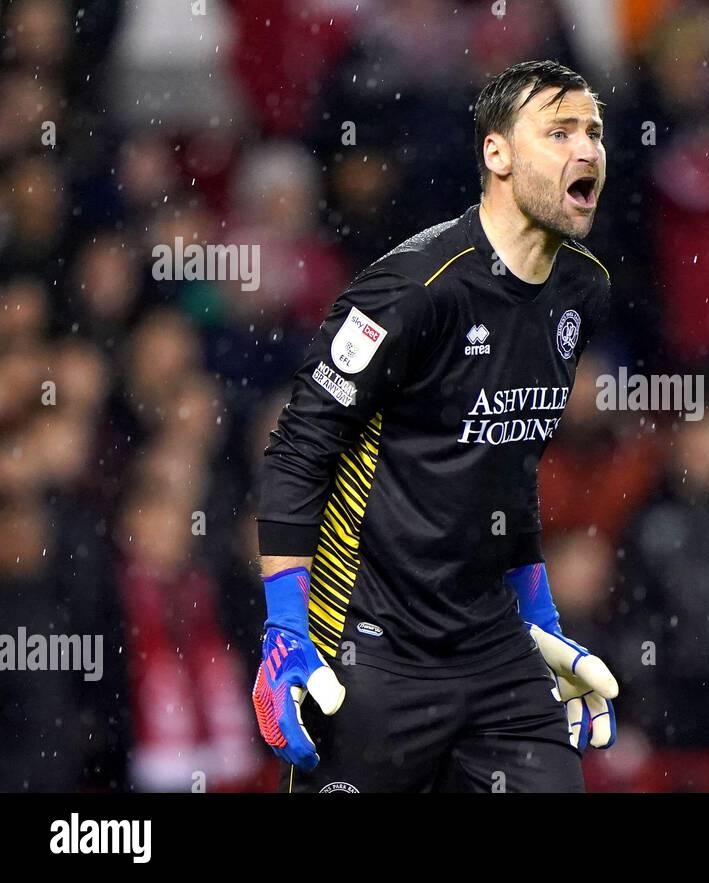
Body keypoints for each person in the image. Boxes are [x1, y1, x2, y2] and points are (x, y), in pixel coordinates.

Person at [252, 60, 618, 793]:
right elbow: (297, 452)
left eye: (594, 132)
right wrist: (284, 626)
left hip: (494, 652)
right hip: (372, 650)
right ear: (497, 154)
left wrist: (537, 612)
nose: (587, 150)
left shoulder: (584, 287)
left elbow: (508, 467)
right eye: (559, 131)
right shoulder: (410, 288)